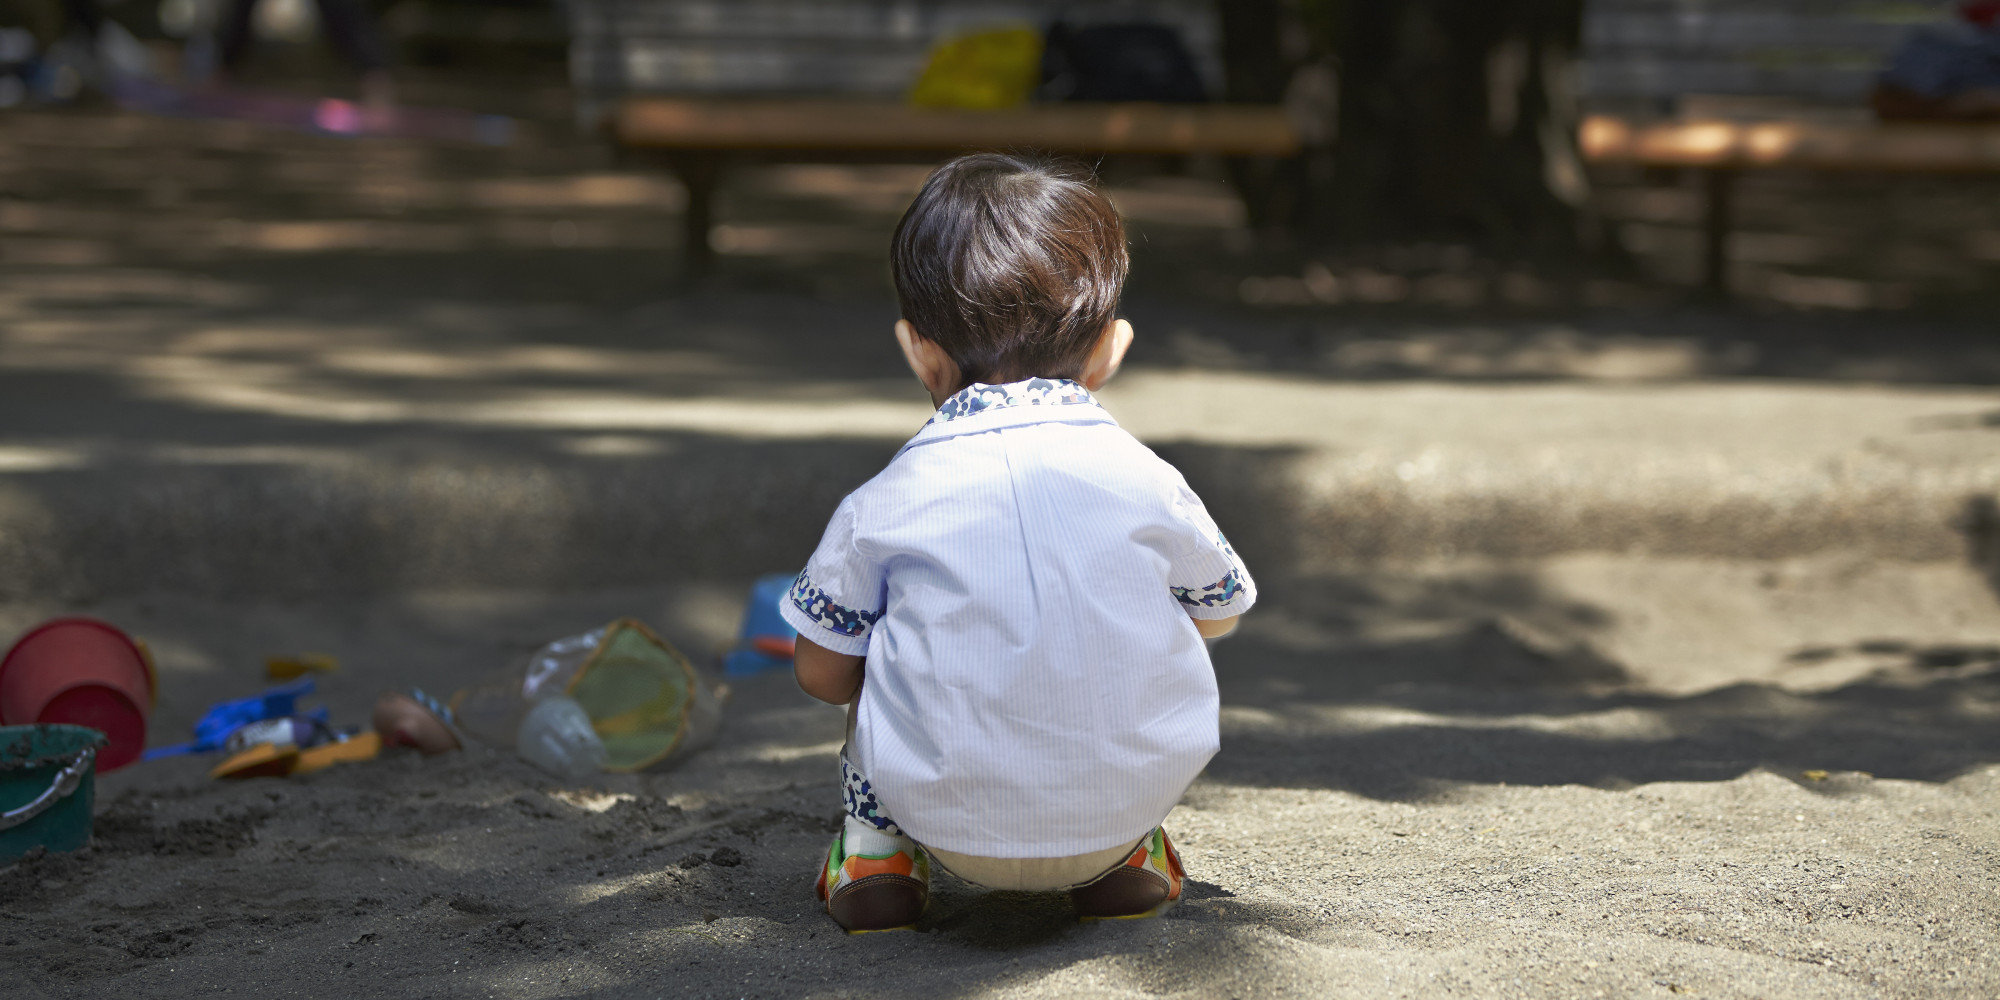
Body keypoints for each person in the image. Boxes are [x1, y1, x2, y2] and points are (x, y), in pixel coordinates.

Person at [778, 153, 1256, 933]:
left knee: (874, 673)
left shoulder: (884, 501)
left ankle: (877, 859)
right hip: (1119, 806)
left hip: (944, 818)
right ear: (1111, 349)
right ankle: (1124, 861)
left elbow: (821, 674)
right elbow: (1219, 613)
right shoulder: (1147, 479)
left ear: (918, 350)